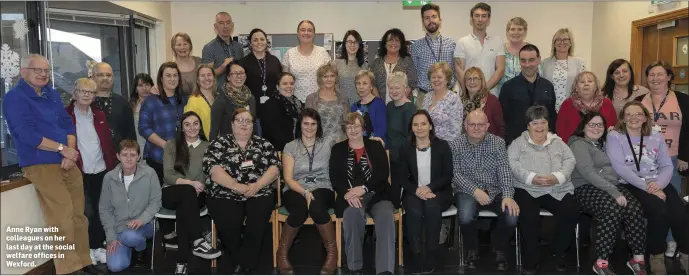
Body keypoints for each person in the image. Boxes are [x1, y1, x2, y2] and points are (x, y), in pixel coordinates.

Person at [2, 54, 99, 275]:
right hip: (40, 163)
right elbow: (26, 135)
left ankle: (84, 261)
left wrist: (70, 151)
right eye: (37, 70)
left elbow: (67, 125)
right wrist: (61, 149)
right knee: (62, 216)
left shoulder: (52, 94)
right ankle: (68, 269)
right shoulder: (14, 98)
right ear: (23, 71)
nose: (43, 74)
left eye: (46, 70)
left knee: (79, 215)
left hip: (67, 160)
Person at [607, 102, 689, 274]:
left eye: (638, 114)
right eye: (629, 114)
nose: (634, 117)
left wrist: (657, 184)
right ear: (622, 118)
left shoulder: (656, 135)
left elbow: (667, 165)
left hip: (657, 181)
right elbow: (620, 168)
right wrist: (647, 187)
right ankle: (656, 254)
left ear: (645, 117)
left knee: (679, 212)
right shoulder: (615, 136)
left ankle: (685, 254)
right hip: (631, 183)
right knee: (658, 210)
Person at [568, 112, 647, 275]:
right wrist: (614, 192)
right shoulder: (578, 144)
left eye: (600, 125)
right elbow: (588, 173)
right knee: (611, 209)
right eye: (592, 124)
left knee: (634, 208)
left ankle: (637, 259)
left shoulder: (603, 144)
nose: (596, 128)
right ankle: (601, 262)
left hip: (609, 186)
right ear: (583, 126)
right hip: (584, 187)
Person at [203, 108, 280, 274]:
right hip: (225, 193)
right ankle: (244, 259)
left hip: (259, 192)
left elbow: (275, 168)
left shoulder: (264, 144)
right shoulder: (218, 144)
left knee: (257, 220)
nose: (244, 124)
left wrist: (257, 186)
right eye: (240, 120)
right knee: (229, 220)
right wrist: (236, 186)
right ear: (232, 124)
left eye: (248, 121)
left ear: (253, 125)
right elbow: (213, 170)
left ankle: (244, 262)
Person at [508, 105, 579, 274]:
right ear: (527, 125)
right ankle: (530, 257)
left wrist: (557, 177)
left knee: (571, 211)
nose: (539, 127)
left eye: (543, 122)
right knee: (528, 216)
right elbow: (512, 164)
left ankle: (557, 251)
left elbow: (570, 160)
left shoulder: (558, 142)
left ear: (548, 124)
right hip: (527, 188)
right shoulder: (518, 143)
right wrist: (532, 177)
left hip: (556, 187)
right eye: (535, 123)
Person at [330, 112, 398, 275]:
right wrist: (347, 194)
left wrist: (365, 188)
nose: (353, 130)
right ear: (344, 129)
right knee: (352, 215)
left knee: (386, 215)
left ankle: (385, 270)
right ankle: (355, 268)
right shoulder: (338, 149)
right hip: (351, 196)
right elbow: (335, 176)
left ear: (363, 128)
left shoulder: (375, 146)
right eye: (349, 127)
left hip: (377, 193)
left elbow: (383, 173)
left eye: (356, 126)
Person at [450, 110, 518, 272]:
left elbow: (504, 170)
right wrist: (475, 191)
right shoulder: (455, 144)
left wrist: (508, 195)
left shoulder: (498, 143)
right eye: (472, 124)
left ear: (487, 126)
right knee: (466, 216)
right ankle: (472, 250)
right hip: (467, 190)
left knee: (511, 216)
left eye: (480, 125)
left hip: (496, 189)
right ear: (465, 126)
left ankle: (499, 249)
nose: (476, 128)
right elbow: (454, 174)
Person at [634, 61, 689, 259]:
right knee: (655, 202)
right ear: (647, 78)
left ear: (668, 77)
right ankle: (655, 240)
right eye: (651, 75)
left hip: (673, 159)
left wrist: (685, 155)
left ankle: (672, 240)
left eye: (660, 74)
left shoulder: (682, 99)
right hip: (645, 161)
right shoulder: (640, 101)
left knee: (672, 203)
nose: (655, 78)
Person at [277, 108, 338, 275]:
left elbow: (352, 139)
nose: (309, 127)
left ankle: (332, 254)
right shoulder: (290, 146)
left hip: (323, 187)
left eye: (313, 124)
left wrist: (372, 139)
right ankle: (281, 254)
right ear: (300, 125)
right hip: (295, 188)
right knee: (299, 211)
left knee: (317, 207)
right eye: (306, 123)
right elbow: (288, 178)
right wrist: (304, 192)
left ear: (318, 126)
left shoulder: (327, 143)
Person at [65, 78, 118, 266]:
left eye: (91, 92)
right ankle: (86, 249)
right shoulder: (67, 115)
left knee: (101, 210)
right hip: (81, 171)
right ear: (75, 93)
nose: (87, 95)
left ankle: (98, 247)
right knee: (86, 212)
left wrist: (112, 168)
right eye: (83, 91)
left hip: (101, 169)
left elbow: (107, 144)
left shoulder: (99, 114)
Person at [163, 112, 222, 274]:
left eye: (196, 123)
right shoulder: (171, 145)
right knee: (187, 194)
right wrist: (190, 183)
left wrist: (200, 186)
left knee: (185, 209)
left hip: (198, 194)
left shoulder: (208, 147)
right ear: (181, 128)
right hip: (171, 192)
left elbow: (212, 174)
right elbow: (168, 175)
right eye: (187, 124)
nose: (192, 128)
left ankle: (182, 261)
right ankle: (197, 239)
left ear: (200, 126)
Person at [399, 110, 453, 274]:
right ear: (411, 128)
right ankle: (416, 255)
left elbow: (447, 175)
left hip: (439, 191)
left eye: (423, 124)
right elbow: (402, 178)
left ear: (430, 126)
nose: (419, 127)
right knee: (414, 211)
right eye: (415, 124)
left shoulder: (442, 146)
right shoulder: (406, 148)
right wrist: (417, 190)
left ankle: (431, 253)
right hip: (413, 191)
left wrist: (429, 188)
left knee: (431, 207)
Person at [99, 139, 161, 273]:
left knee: (131, 237)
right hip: (120, 228)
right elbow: (105, 210)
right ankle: (128, 246)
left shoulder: (149, 173)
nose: (129, 159)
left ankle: (141, 250)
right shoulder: (109, 178)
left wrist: (142, 219)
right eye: (125, 155)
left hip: (145, 224)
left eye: (132, 155)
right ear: (118, 156)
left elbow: (156, 201)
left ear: (138, 156)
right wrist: (111, 237)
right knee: (115, 266)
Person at [139, 62, 187, 185]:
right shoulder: (150, 101)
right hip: (157, 157)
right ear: (161, 78)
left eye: (175, 75)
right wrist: (166, 146)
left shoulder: (184, 100)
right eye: (168, 75)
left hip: (180, 158)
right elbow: (144, 128)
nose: (172, 79)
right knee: (157, 197)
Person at [499, 44, 557, 146]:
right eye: (523, 60)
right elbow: (503, 119)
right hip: (517, 144)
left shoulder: (548, 86)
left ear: (539, 60)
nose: (527, 64)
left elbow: (551, 116)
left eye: (531, 60)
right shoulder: (508, 87)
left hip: (543, 143)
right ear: (519, 61)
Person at [454, 2, 505, 96]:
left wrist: (483, 91)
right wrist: (469, 92)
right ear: (471, 19)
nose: (480, 19)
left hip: (491, 94)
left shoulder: (498, 41)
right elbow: (458, 70)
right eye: (477, 16)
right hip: (468, 96)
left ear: (488, 20)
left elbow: (500, 69)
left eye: (484, 16)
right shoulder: (462, 42)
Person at [238, 28, 282, 135]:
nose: (259, 42)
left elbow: (280, 84)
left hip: (273, 110)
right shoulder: (243, 63)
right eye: (255, 40)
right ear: (250, 43)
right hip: (253, 110)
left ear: (266, 42)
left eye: (262, 39)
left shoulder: (274, 61)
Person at [412, 3, 457, 108]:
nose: (430, 20)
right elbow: (414, 72)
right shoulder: (416, 46)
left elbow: (456, 71)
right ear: (423, 22)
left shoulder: (451, 44)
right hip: (424, 96)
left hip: (448, 96)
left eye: (434, 17)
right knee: (422, 124)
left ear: (440, 20)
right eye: (427, 18)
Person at [556, 71, 618, 143]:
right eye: (582, 82)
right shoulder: (567, 104)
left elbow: (614, 128)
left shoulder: (606, 103)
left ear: (596, 86)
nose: (586, 84)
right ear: (576, 87)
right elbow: (561, 131)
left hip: (603, 147)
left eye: (590, 81)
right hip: (574, 147)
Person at [282, 20, 332, 102]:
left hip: (320, 102)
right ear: (298, 34)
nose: (306, 33)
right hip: (296, 103)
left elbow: (331, 78)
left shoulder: (322, 52)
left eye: (309, 30)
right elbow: (284, 82)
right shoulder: (289, 54)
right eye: (303, 30)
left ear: (314, 34)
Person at [92, 62, 137, 149]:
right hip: (93, 156)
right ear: (93, 77)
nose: (105, 78)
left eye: (108, 75)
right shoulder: (87, 103)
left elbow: (130, 135)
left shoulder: (123, 103)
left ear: (113, 78)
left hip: (120, 156)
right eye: (100, 75)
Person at [542, 28, 587, 112]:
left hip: (573, 107)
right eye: (558, 39)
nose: (562, 42)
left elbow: (583, 85)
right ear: (554, 43)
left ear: (570, 43)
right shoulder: (544, 63)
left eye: (565, 39)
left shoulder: (579, 62)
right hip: (549, 108)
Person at [209, 62, 257, 141]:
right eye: (234, 73)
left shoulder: (251, 98)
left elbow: (253, 125)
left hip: (248, 144)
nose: (239, 76)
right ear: (228, 77)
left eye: (241, 73)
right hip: (228, 146)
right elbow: (214, 130)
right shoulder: (221, 100)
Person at [370, 28, 417, 104]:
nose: (393, 43)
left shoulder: (407, 61)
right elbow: (372, 83)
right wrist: (379, 103)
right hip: (381, 105)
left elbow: (412, 83)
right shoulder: (376, 62)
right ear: (385, 43)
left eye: (397, 40)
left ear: (401, 44)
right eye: (390, 40)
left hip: (402, 105)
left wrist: (398, 101)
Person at [201, 12, 245, 92]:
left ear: (232, 25)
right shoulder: (209, 47)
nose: (226, 26)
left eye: (228, 23)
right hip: (218, 95)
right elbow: (207, 75)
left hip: (238, 94)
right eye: (221, 23)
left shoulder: (239, 47)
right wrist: (223, 66)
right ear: (215, 26)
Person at [305, 63, 349, 142]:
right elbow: (307, 125)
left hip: (340, 142)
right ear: (320, 79)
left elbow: (347, 124)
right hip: (318, 143)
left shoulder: (343, 99)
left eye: (332, 76)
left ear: (336, 78)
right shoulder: (311, 99)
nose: (329, 79)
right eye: (325, 76)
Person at [260, 72, 304, 151]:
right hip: (278, 150)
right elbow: (272, 132)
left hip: (298, 148)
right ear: (277, 86)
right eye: (284, 84)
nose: (289, 86)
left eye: (291, 83)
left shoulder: (298, 103)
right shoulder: (270, 104)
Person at [497, 17, 542, 93]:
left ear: (525, 32)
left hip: (529, 96)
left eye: (520, 29)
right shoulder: (499, 51)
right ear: (507, 32)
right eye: (512, 29)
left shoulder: (532, 50)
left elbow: (539, 73)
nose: (516, 32)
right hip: (504, 96)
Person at [421, 62, 463, 141]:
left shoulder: (454, 99)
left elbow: (456, 131)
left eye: (439, 77)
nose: (436, 80)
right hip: (426, 143)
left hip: (446, 145)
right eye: (433, 77)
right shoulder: (427, 96)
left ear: (447, 79)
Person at [461, 67, 504, 138]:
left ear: (482, 81)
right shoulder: (460, 101)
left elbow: (500, 127)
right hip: (465, 145)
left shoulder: (491, 100)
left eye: (475, 78)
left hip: (489, 144)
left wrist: (498, 145)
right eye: (468, 79)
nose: (472, 82)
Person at [385, 71, 416, 164]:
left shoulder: (410, 109)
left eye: (397, 88)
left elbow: (410, 139)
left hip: (403, 158)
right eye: (391, 88)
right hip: (389, 154)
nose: (394, 91)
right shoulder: (389, 106)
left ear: (405, 88)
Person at [351, 70, 387, 143]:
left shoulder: (379, 104)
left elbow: (381, 130)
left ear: (371, 86)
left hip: (375, 146)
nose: (361, 87)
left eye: (365, 83)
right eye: (358, 83)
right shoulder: (354, 107)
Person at [336, 30, 369, 106]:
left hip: (360, 107)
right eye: (350, 41)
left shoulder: (364, 66)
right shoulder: (336, 64)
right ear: (345, 44)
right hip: (341, 107)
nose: (352, 44)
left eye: (355, 42)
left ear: (359, 45)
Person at [184, 65, 216, 139]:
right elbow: (189, 127)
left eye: (209, 75)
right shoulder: (193, 100)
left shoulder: (219, 98)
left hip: (220, 144)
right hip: (202, 145)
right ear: (198, 80)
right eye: (202, 76)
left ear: (214, 78)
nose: (206, 78)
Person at [172, 33, 202, 97]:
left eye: (185, 44)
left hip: (202, 103)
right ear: (173, 48)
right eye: (179, 45)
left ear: (190, 46)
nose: (182, 47)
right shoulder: (171, 67)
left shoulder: (199, 61)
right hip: (181, 105)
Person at [131, 73, 154, 152]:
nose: (144, 88)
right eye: (140, 85)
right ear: (136, 88)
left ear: (152, 86)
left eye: (147, 84)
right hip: (138, 146)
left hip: (156, 145)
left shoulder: (159, 103)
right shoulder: (131, 106)